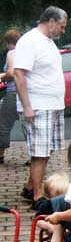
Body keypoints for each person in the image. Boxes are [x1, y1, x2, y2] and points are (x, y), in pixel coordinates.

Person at [14, 6, 68, 209]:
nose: (63, 31)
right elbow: (19, 74)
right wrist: (27, 106)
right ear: (51, 21)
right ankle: (37, 196)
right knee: (39, 153)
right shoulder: (30, 40)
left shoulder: (49, 42)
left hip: (52, 105)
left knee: (47, 149)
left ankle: (30, 186)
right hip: (38, 107)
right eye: (62, 26)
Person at [0, 29, 21, 164]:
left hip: (13, 93)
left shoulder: (12, 53)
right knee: (29, 126)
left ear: (8, 43)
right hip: (27, 94)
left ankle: (0, 155)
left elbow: (11, 73)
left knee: (3, 124)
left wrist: (2, 76)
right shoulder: (26, 53)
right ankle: (35, 157)